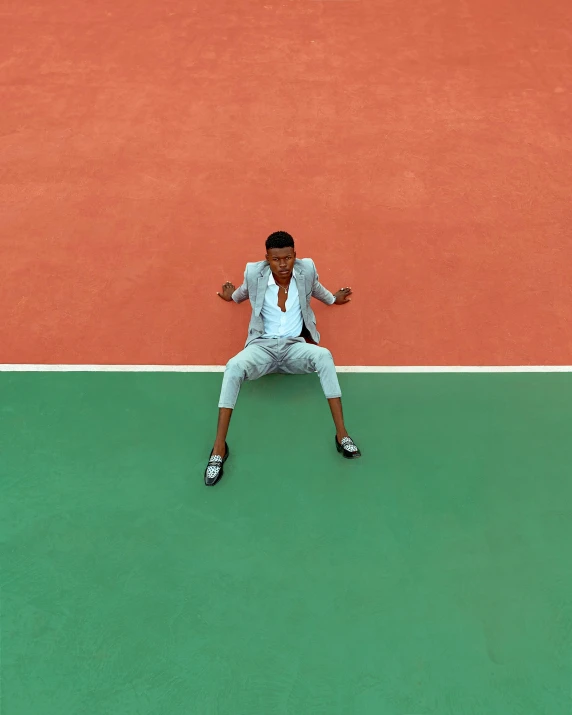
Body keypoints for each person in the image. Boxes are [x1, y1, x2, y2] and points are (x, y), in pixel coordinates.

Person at [204, 230, 361, 486]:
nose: (283, 265)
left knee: (324, 357)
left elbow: (315, 288)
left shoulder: (306, 269)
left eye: (288, 258)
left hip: (294, 348)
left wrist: (332, 299)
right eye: (276, 259)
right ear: (267, 259)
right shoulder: (254, 273)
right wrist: (230, 296)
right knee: (233, 366)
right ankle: (219, 448)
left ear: (294, 256)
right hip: (262, 348)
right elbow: (245, 292)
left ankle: (342, 434)